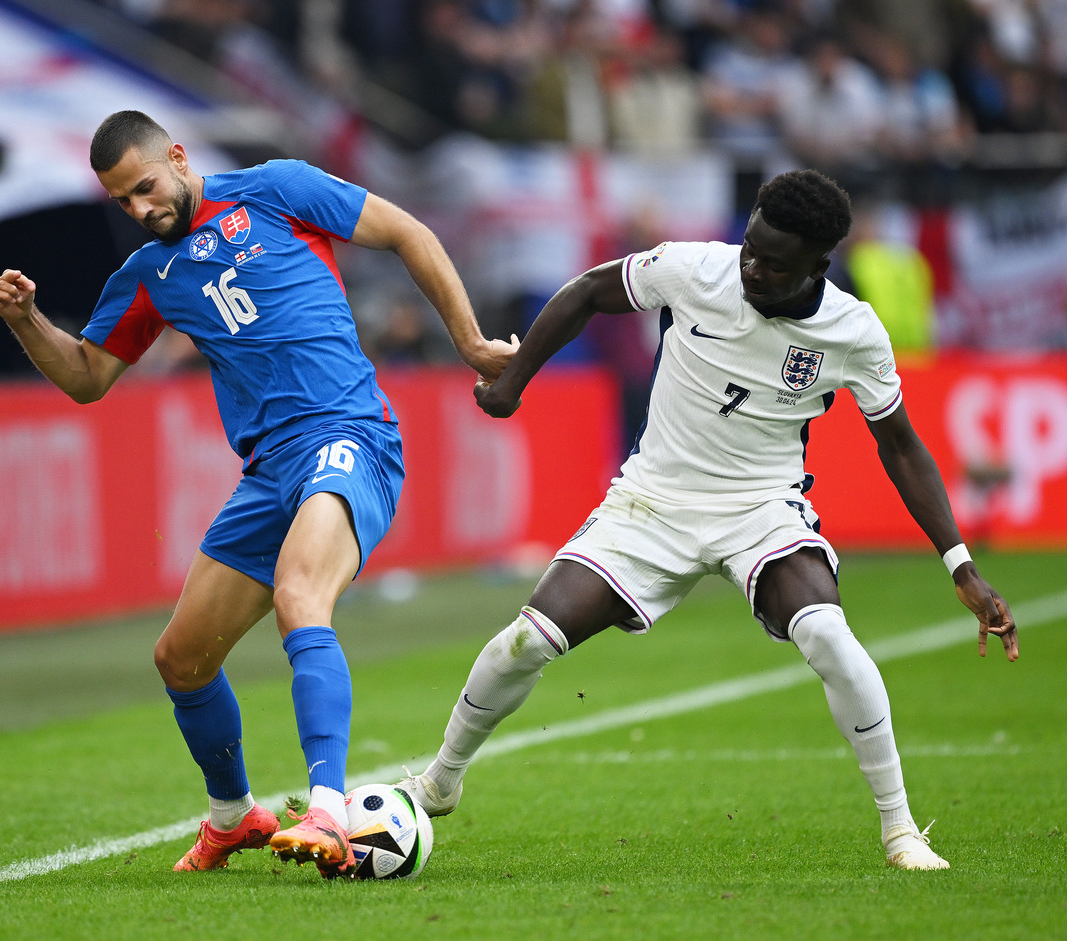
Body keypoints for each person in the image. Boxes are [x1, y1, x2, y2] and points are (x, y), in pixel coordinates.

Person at [399, 169, 1019, 871]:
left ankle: (902, 829)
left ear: (818, 265)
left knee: (827, 634)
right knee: (528, 640)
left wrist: (960, 565)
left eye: (774, 263)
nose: (752, 266)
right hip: (651, 504)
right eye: (750, 246)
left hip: (761, 509)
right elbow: (587, 292)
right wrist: (514, 380)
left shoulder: (852, 331)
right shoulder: (694, 268)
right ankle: (440, 781)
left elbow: (900, 444)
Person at [0, 110, 516, 879]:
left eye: (144, 187)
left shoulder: (277, 189)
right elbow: (86, 377)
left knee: (302, 594)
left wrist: (469, 341)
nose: (140, 208)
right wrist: (26, 318)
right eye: (122, 202)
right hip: (268, 473)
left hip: (350, 436)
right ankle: (235, 816)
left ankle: (331, 808)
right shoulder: (147, 276)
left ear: (175, 156)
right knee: (180, 658)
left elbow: (409, 231)